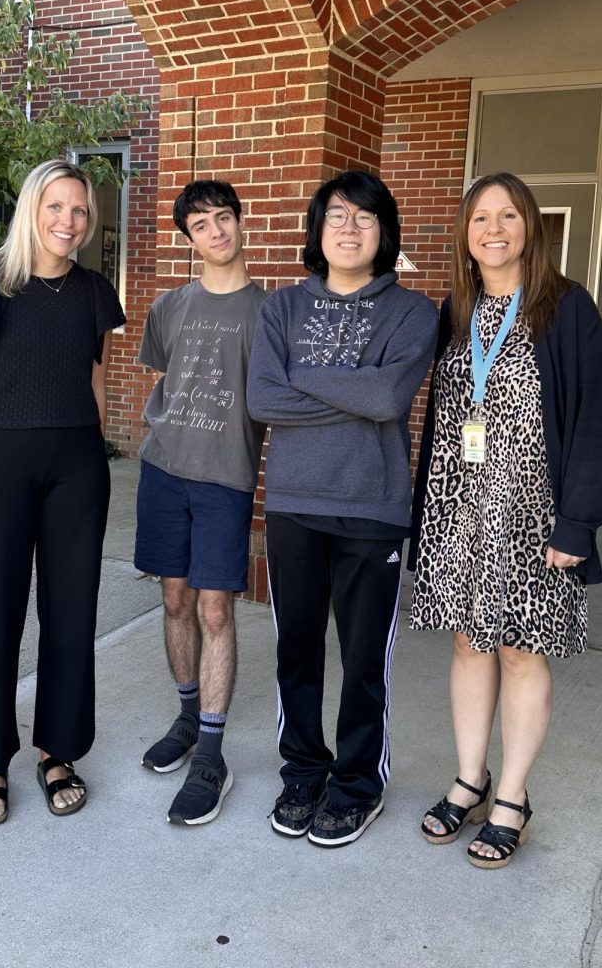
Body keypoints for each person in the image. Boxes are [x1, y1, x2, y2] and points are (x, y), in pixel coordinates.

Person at [409, 172, 602, 868]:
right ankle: (470, 780)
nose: (492, 229)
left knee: (520, 650)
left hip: (533, 517)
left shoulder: (565, 308)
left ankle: (513, 799)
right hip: (458, 513)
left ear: (529, 225)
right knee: (469, 643)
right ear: (464, 238)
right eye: (478, 219)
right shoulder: (454, 310)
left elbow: (593, 424)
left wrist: (577, 523)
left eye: (506, 216)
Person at [247, 170, 438, 847]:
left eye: (364, 217)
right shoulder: (280, 308)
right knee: (295, 651)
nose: (349, 228)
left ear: (383, 232)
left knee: (362, 660)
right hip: (293, 505)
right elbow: (261, 400)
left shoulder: (414, 311)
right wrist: (351, 387)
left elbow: (389, 399)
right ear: (316, 229)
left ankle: (358, 784)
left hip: (371, 509)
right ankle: (303, 772)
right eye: (336, 216)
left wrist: (302, 377)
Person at [0, 159, 125, 825]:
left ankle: (58, 751)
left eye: (79, 211)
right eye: (56, 207)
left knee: (71, 611)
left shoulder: (95, 291)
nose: (68, 222)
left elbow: (96, 382)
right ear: (32, 209)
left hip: (77, 463)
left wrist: (94, 450)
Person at [135, 179, 266, 825]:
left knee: (216, 610)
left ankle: (212, 753)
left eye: (223, 219)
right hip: (164, 471)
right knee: (173, 598)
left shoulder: (271, 313)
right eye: (201, 225)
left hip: (225, 477)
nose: (216, 231)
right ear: (187, 240)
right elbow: (163, 381)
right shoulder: (169, 307)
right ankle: (187, 717)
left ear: (240, 224)